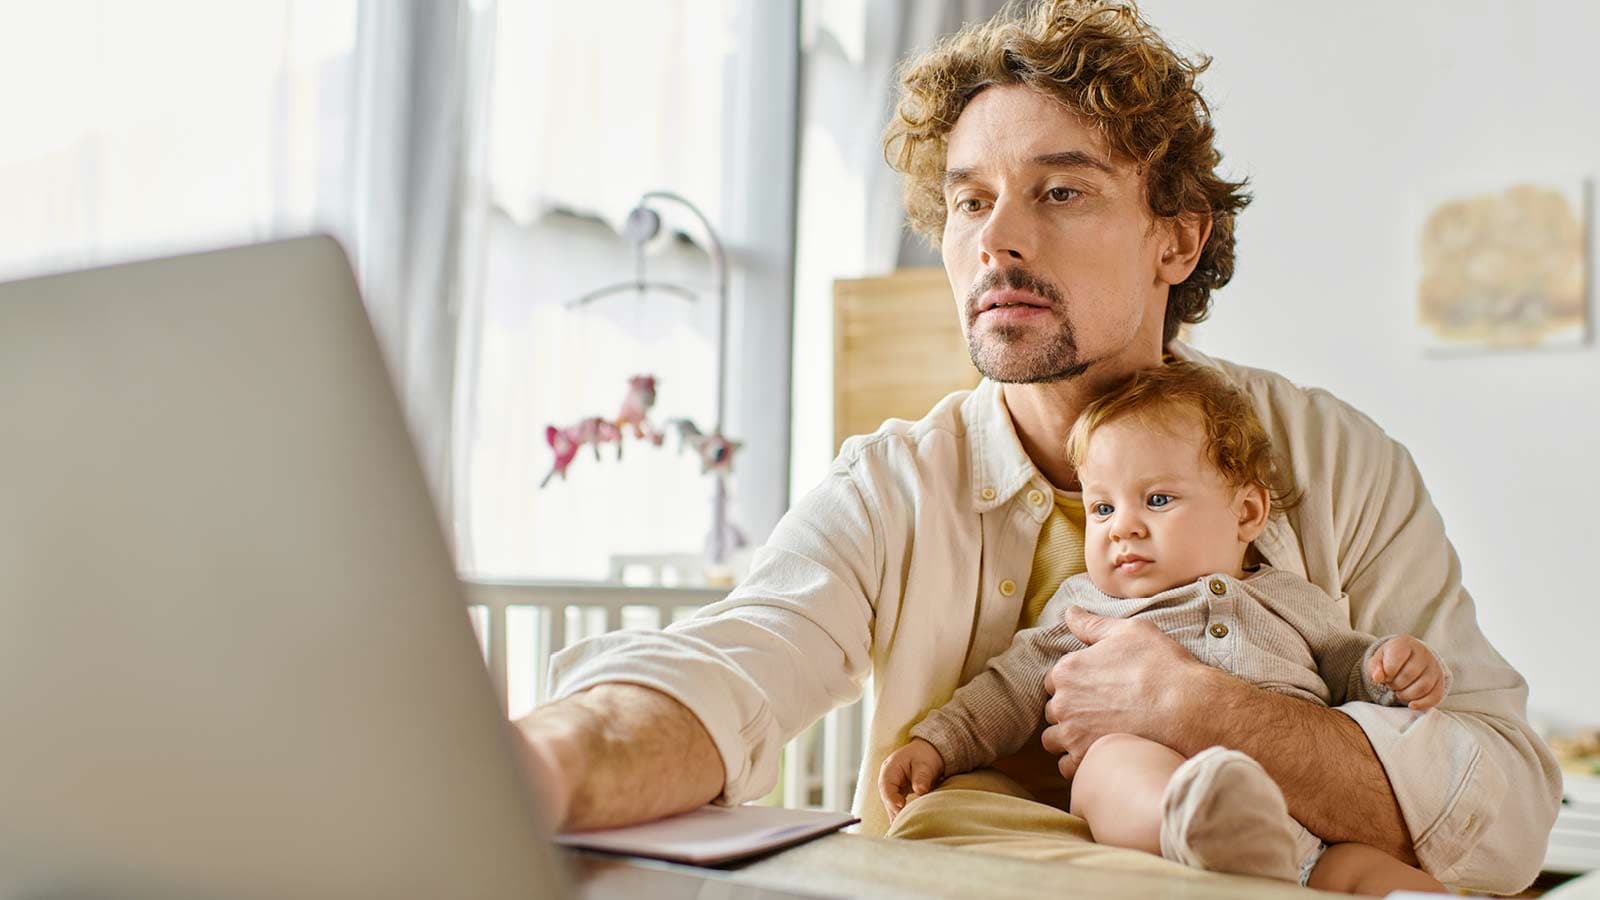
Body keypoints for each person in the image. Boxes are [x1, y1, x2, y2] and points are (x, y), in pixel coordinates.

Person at [514, 1, 1561, 892]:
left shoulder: (1332, 461)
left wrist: (1193, 703)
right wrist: (529, 765)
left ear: (1177, 238)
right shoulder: (890, 485)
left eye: (1059, 192)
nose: (995, 239)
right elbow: (727, 671)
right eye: (969, 200)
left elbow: (1506, 813)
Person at [878, 363, 1449, 895]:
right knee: (1111, 765)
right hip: (1160, 812)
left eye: (1156, 499)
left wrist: (1388, 671)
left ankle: (1256, 852)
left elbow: (1346, 662)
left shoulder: (1288, 596)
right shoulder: (1087, 607)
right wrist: (939, 743)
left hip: (1307, 827)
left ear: (1246, 513)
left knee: (1386, 879)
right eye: (1101, 509)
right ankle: (1198, 827)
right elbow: (1011, 685)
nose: (1123, 527)